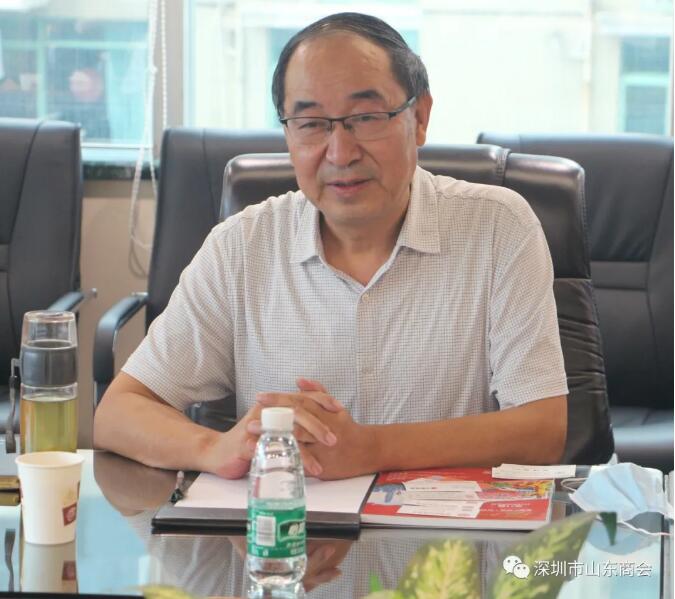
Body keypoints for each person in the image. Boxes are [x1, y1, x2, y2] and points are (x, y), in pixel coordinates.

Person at [94, 12, 568, 480]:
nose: (340, 153)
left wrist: (371, 449)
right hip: (286, 527)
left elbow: (543, 430)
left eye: (366, 118)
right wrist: (215, 448)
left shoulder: (498, 227)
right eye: (311, 123)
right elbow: (119, 413)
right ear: (287, 132)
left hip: (445, 529)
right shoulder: (242, 246)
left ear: (420, 117)